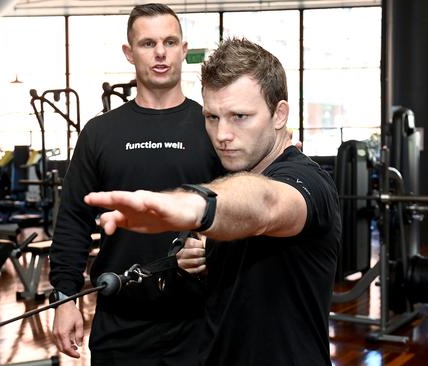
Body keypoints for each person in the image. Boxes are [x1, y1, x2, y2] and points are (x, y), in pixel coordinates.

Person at [84, 38, 341, 365]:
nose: (222, 134)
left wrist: (194, 206)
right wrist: (202, 257)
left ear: (279, 115)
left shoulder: (309, 181)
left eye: (240, 116)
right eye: (212, 117)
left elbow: (266, 204)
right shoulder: (232, 173)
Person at [48, 3, 224, 365]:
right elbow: (72, 220)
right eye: (148, 44)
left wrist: (211, 246)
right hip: (121, 318)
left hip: (199, 318)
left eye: (170, 42)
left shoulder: (212, 126)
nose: (160, 52)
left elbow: (238, 208)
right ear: (129, 53)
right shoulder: (100, 132)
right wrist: (65, 298)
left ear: (183, 49)